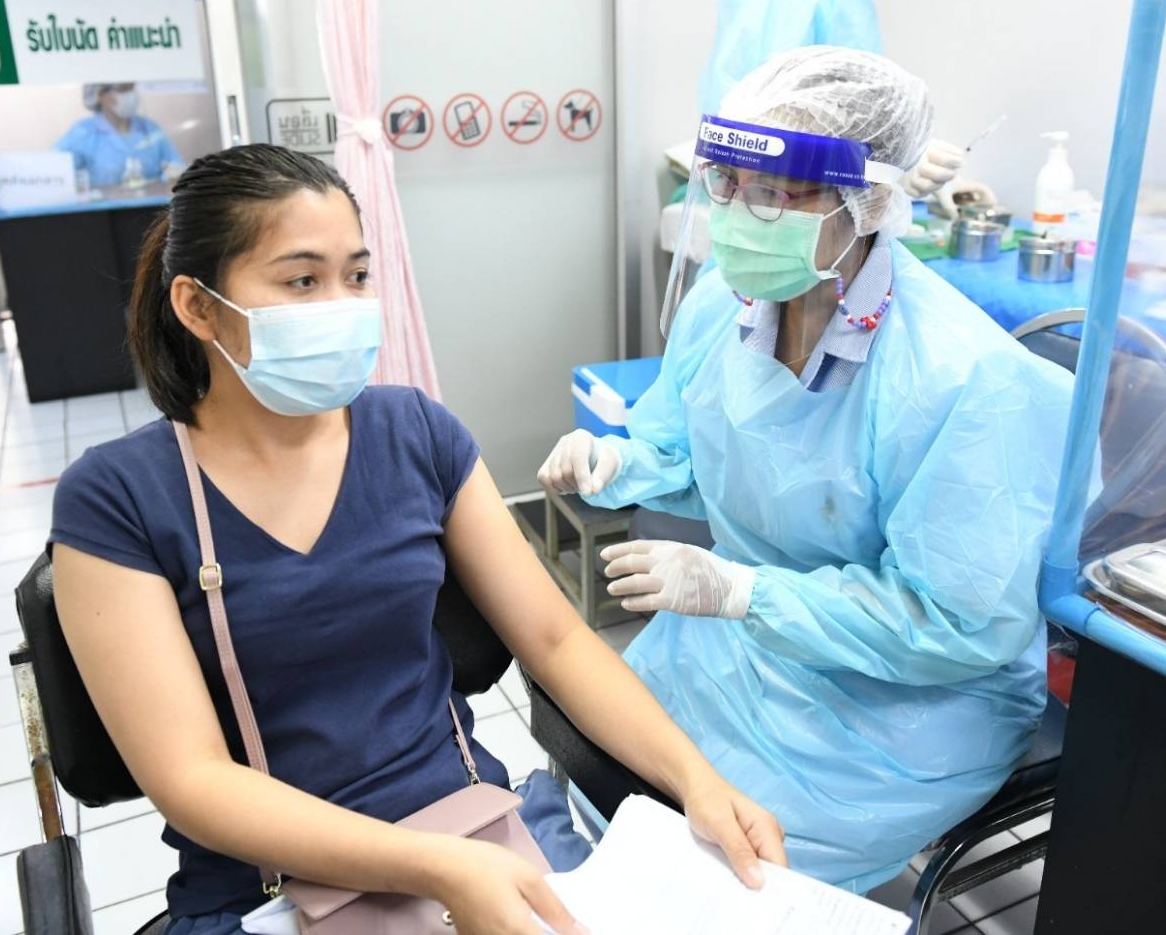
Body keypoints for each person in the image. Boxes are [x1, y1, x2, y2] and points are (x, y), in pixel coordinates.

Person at [52, 144, 785, 935]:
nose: (343, 304)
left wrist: (696, 780)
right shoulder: (117, 498)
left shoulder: (414, 434)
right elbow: (191, 778)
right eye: (302, 281)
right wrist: (433, 868)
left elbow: (557, 641)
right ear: (198, 307)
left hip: (471, 827)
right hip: (272, 891)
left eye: (356, 275)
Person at [539, 47, 1084, 892]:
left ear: (865, 201)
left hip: (908, 702)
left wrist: (743, 591)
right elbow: (699, 450)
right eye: (724, 182)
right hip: (746, 647)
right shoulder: (723, 305)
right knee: (608, 772)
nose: (737, 213)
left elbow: (952, 623)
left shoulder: (963, 379)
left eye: (775, 191)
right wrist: (620, 462)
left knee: (729, 870)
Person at [700, 0, 961, 199]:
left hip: (805, 195)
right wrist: (880, 170)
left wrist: (900, 162)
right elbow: (763, 124)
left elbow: (846, 108)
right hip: (767, 200)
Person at [54, 82, 185, 190]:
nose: (130, 95)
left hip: (151, 208)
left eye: (131, 88)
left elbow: (177, 166)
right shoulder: (83, 132)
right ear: (100, 95)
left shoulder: (150, 128)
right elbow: (56, 172)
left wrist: (171, 176)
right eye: (122, 89)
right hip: (103, 211)